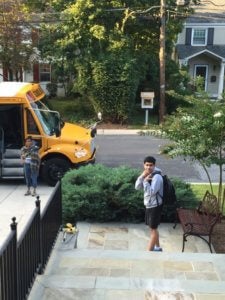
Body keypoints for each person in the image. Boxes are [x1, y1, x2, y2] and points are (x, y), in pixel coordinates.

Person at [135, 156, 163, 251]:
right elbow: (137, 187)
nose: (148, 167)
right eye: (147, 165)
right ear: (144, 165)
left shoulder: (157, 177)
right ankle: (158, 247)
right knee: (153, 228)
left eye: (151, 165)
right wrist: (142, 176)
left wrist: (146, 182)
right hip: (149, 204)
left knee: (153, 229)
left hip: (155, 206)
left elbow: (152, 192)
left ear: (154, 165)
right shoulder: (146, 174)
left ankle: (148, 252)